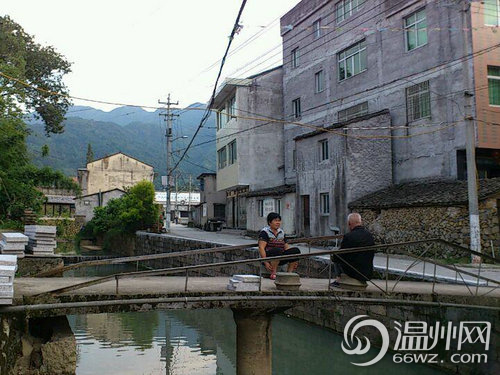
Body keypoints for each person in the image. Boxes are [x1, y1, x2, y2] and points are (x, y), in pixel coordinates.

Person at [331, 213, 375, 287]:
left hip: (353, 272)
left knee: (335, 253)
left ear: (349, 223)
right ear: (360, 222)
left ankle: (338, 279)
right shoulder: (369, 235)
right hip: (367, 272)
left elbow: (341, 255)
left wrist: (334, 256)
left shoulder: (349, 236)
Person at [258, 212, 301, 280]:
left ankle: (289, 273)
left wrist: (294, 259)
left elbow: (286, 246)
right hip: (269, 257)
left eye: (279, 221)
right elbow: (261, 248)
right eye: (275, 221)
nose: (278, 223)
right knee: (277, 250)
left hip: (280, 256)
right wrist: (265, 261)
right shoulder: (264, 232)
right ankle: (274, 273)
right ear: (270, 222)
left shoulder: (281, 232)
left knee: (296, 250)